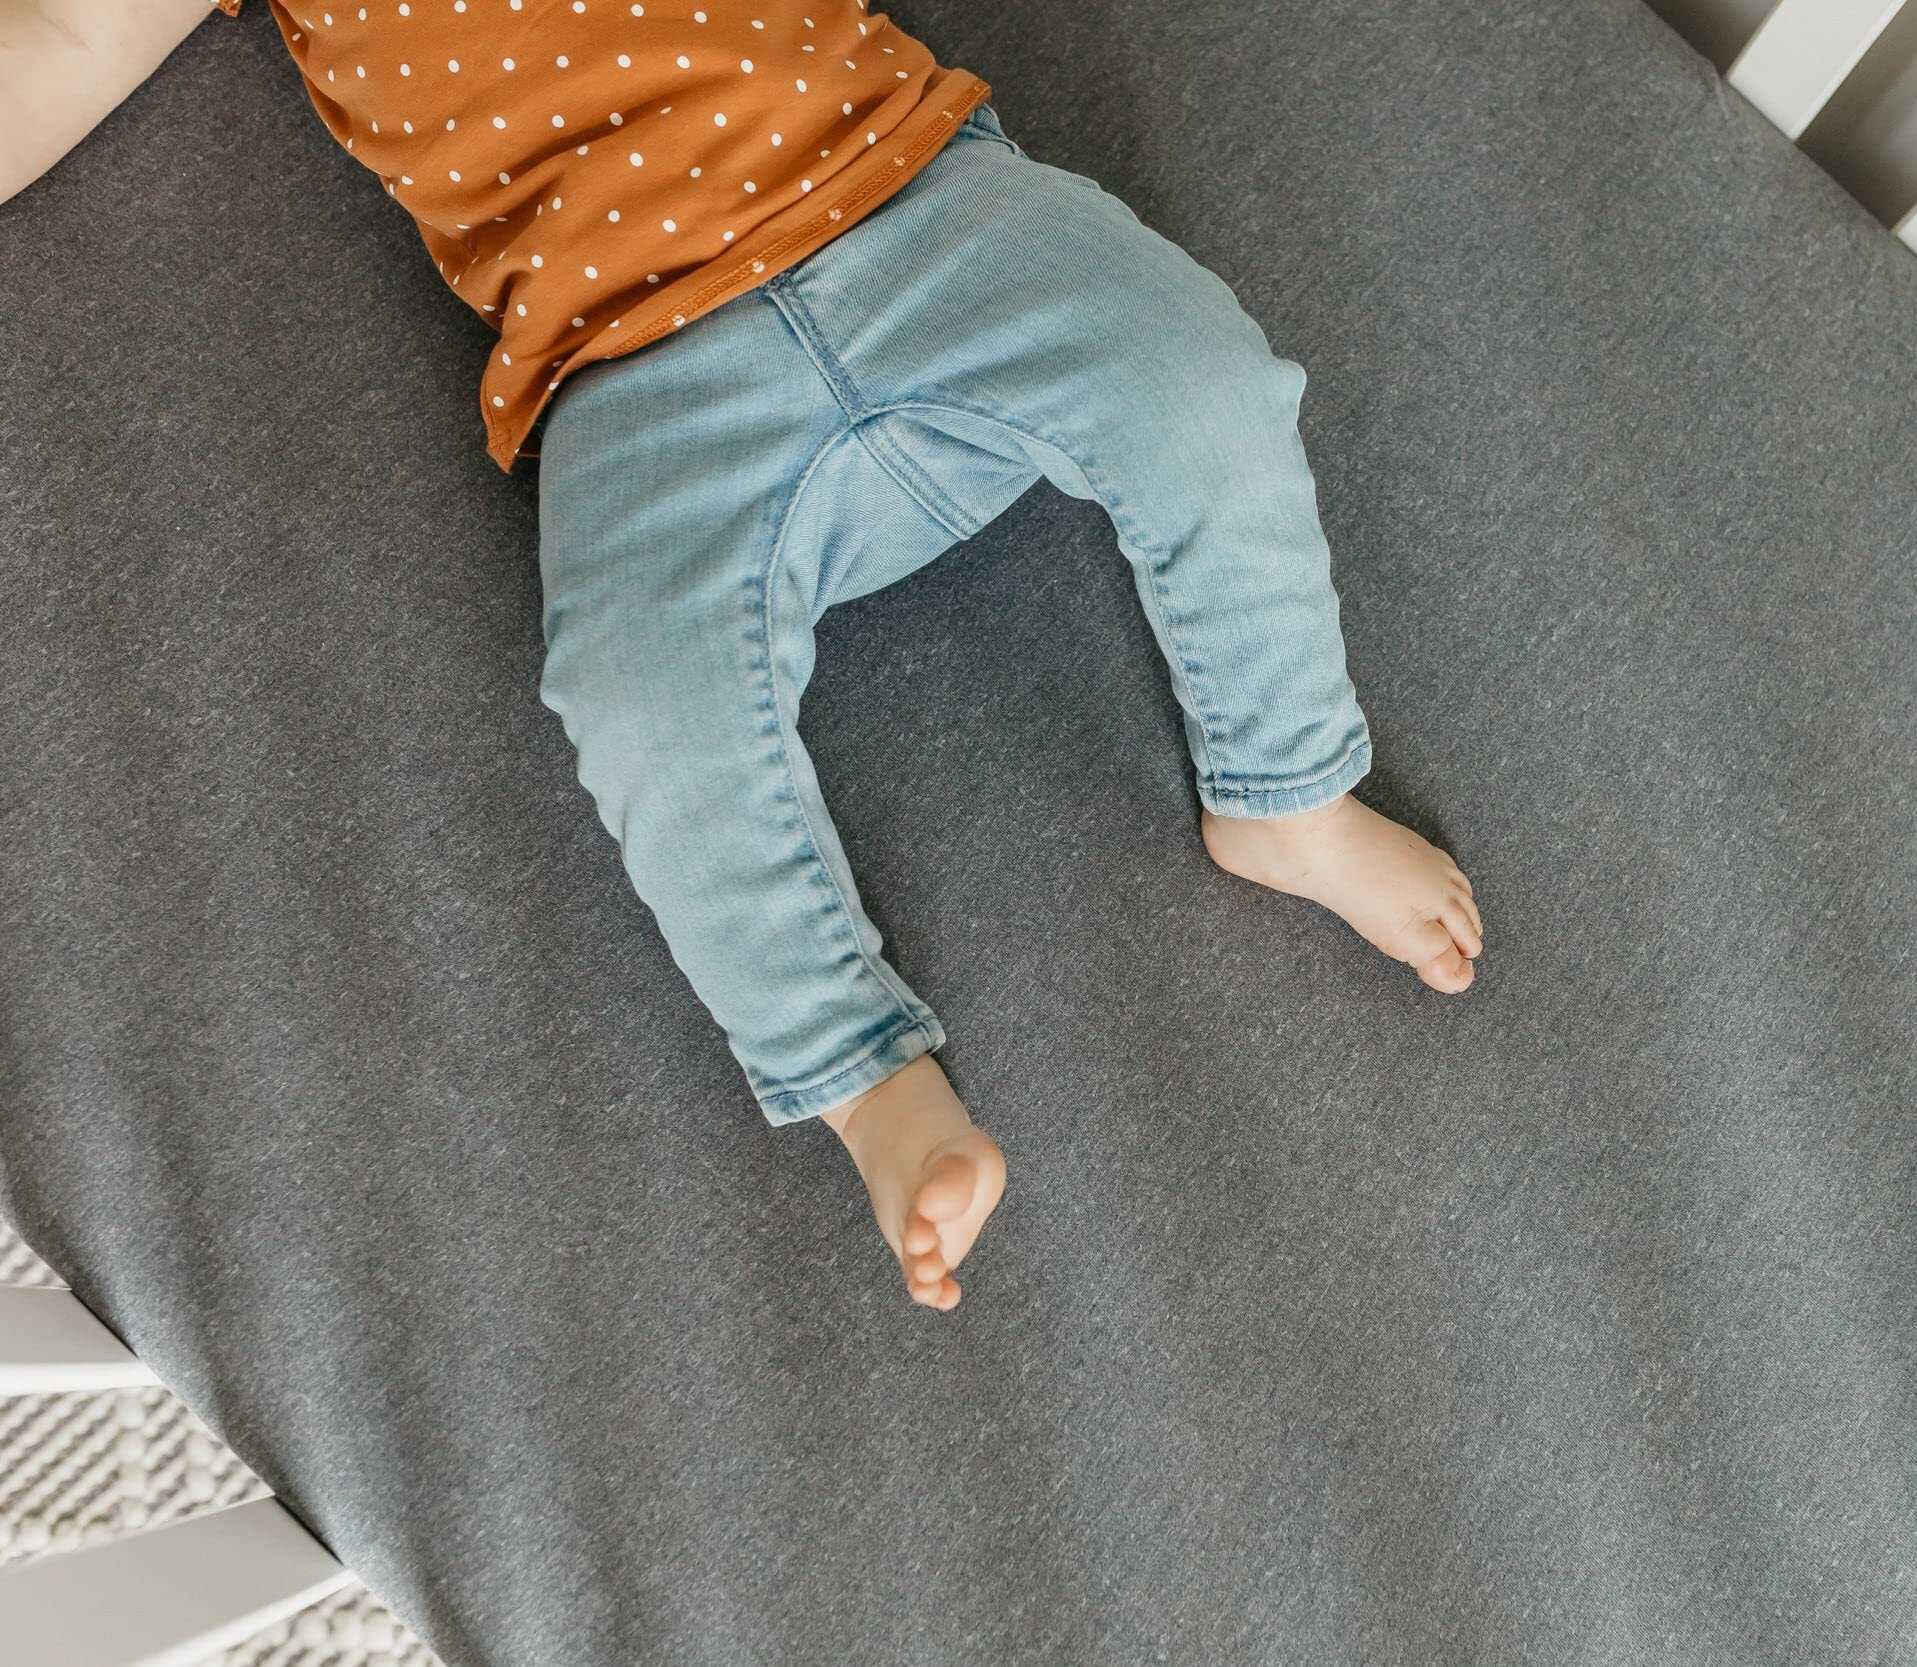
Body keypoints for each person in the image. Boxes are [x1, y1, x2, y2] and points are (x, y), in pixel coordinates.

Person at [3, 0, 1484, 1312]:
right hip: (635, 369)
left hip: (910, 202)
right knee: (644, 702)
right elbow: (66, 38)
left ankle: (1288, 790)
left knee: (1196, 383)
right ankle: (859, 1076)